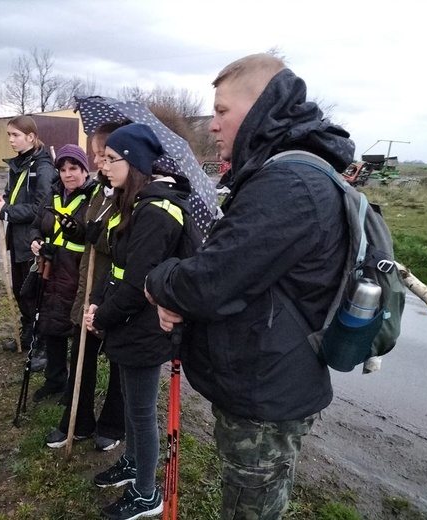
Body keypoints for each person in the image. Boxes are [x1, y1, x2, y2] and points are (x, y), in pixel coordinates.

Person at [144, 53, 355, 519]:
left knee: (251, 508)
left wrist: (158, 283)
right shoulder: (279, 175)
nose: (213, 124)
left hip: (267, 392)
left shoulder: (288, 185)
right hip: (268, 378)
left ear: (260, 107)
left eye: (221, 111)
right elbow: (232, 267)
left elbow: (209, 282)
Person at [84, 123, 193, 519]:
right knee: (131, 404)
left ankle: (148, 494)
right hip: (123, 322)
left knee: (143, 411)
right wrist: (96, 302)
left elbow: (137, 284)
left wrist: (103, 318)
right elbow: (114, 265)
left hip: (145, 326)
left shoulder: (159, 212)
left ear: (133, 162)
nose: (104, 165)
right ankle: (132, 463)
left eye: (112, 159)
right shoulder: (129, 203)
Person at [45, 122, 127, 452]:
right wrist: (76, 229)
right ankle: (77, 421)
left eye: (103, 155)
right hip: (87, 287)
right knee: (82, 354)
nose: (97, 164)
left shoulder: (133, 194)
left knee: (119, 360)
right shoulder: (100, 192)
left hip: (115, 292)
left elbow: (128, 242)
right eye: (96, 156)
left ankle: (113, 423)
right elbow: (87, 232)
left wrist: (102, 237)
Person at [29, 144, 97, 402]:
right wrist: (35, 241)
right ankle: (54, 379)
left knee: (76, 332)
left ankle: (74, 387)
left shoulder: (92, 199)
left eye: (74, 168)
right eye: (64, 169)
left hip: (77, 273)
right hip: (50, 271)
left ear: (84, 170)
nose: (68, 174)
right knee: (52, 326)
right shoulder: (52, 196)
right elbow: (37, 226)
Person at [0, 115, 55, 364]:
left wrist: (6, 211)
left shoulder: (43, 168)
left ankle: (42, 342)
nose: (11, 140)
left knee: (34, 294)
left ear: (31, 136)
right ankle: (27, 333)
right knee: (20, 291)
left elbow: (42, 208)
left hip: (33, 242)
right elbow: (12, 197)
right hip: (17, 239)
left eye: (15, 135)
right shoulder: (18, 165)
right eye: (9, 135)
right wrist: (1, 202)